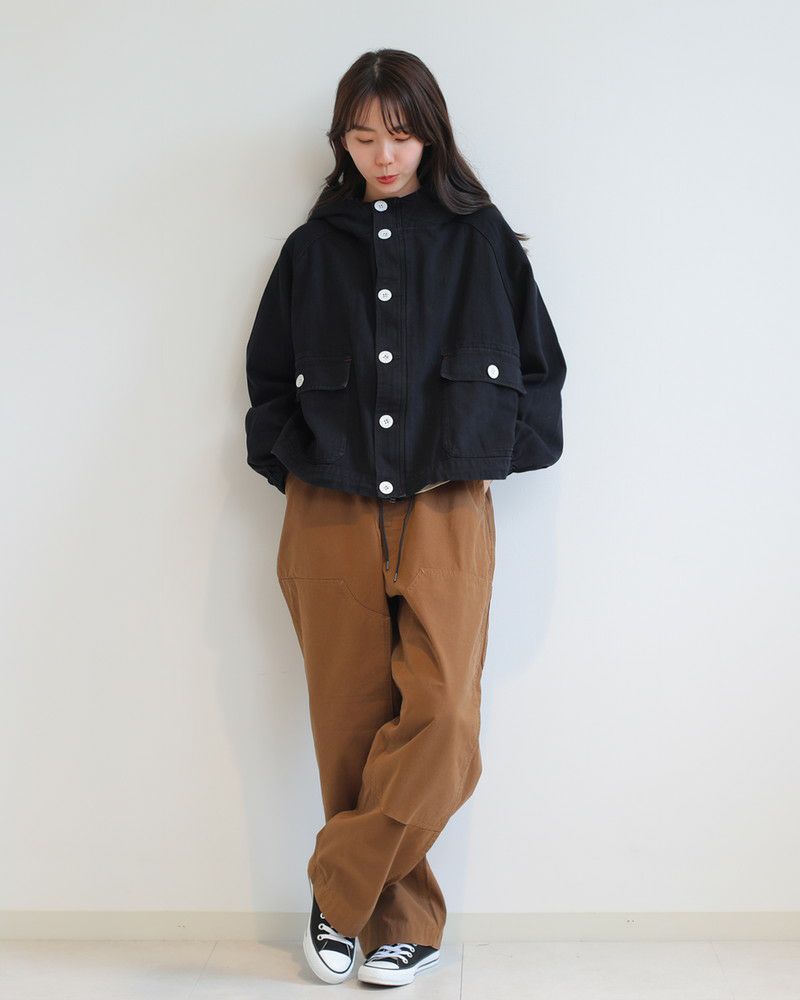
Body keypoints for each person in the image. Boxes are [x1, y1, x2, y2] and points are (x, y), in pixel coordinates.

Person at [245, 48, 567, 988]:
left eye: (399, 135)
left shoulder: (481, 240)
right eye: (362, 137)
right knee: (349, 722)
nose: (383, 155)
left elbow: (541, 372)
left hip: (446, 504)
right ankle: (404, 926)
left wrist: (484, 451)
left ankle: (337, 891)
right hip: (330, 507)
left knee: (445, 718)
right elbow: (267, 382)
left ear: (430, 135)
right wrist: (298, 464)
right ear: (341, 144)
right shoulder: (312, 250)